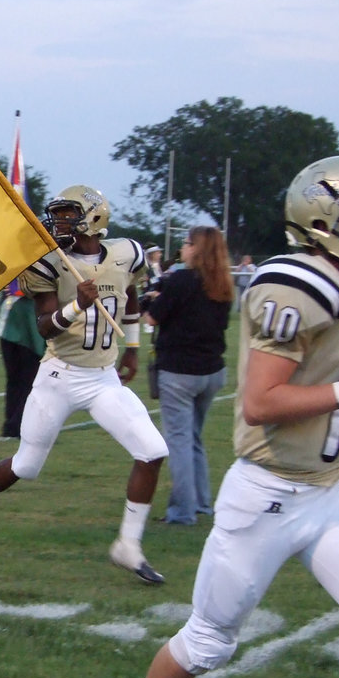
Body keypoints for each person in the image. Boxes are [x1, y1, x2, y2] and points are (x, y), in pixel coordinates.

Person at [98, 156, 339, 678]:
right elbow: (261, 403)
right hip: (264, 499)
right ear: (325, 221)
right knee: (209, 643)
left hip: (326, 495)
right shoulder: (293, 284)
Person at [0, 184, 169, 584]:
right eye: (59, 214)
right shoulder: (49, 262)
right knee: (27, 465)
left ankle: (128, 544)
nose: (59, 222)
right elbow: (44, 327)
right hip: (59, 376)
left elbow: (133, 297)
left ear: (94, 216)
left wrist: (133, 349)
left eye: (69, 214)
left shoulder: (127, 254)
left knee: (153, 451)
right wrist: (78, 306)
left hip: (103, 378)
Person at [144, 225, 234, 527]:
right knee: (193, 438)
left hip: (180, 371)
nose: (182, 248)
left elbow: (153, 317)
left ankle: (183, 511)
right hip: (212, 370)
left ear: (197, 248)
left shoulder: (182, 279)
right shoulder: (223, 284)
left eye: (186, 243)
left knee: (179, 441)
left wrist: (152, 299)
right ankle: (202, 502)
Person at [0, 280, 45, 439]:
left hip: (11, 323)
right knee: (25, 380)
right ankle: (17, 425)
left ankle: (12, 425)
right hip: (24, 324)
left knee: (17, 380)